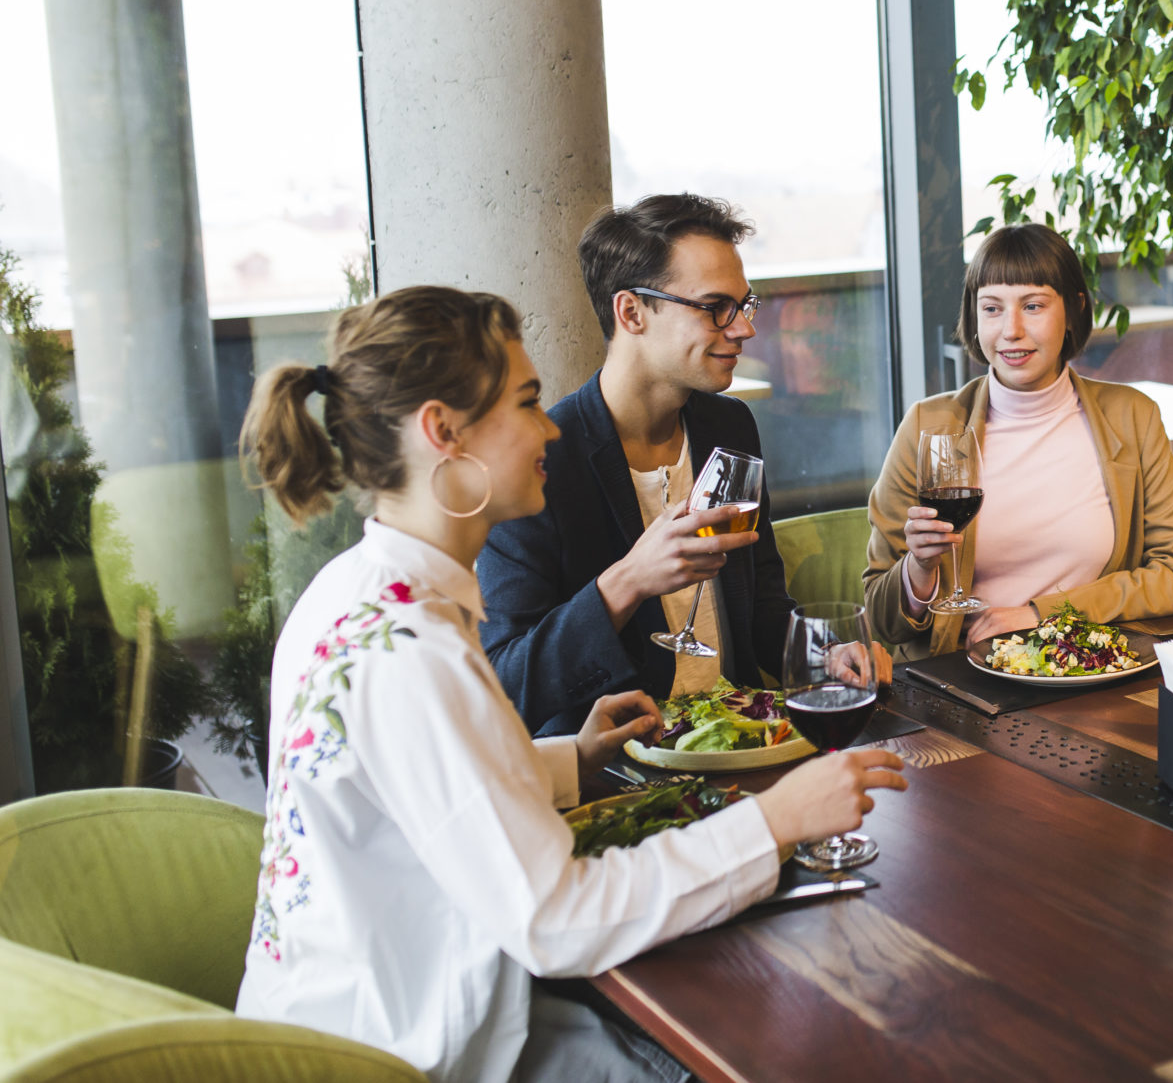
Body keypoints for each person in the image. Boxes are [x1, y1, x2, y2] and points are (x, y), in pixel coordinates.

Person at [235, 286, 906, 1082]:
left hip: (366, 1007)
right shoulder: (411, 651)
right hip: (401, 1052)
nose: (550, 424)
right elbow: (556, 918)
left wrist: (565, 760)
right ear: (443, 433)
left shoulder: (354, 590)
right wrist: (772, 821)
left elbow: (412, 793)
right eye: (525, 401)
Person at [478, 194, 886, 736]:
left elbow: (763, 605)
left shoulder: (730, 426)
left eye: (744, 305)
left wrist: (827, 653)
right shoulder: (542, 460)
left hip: (741, 741)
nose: (744, 329)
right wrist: (626, 583)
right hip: (616, 775)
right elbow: (508, 687)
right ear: (631, 312)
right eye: (715, 306)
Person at [864, 223, 1173, 655]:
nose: (1011, 330)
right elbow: (880, 619)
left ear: (1073, 309)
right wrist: (919, 570)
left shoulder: (1131, 417)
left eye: (1032, 306)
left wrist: (1044, 613)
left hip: (1091, 669)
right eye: (991, 309)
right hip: (968, 681)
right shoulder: (927, 426)